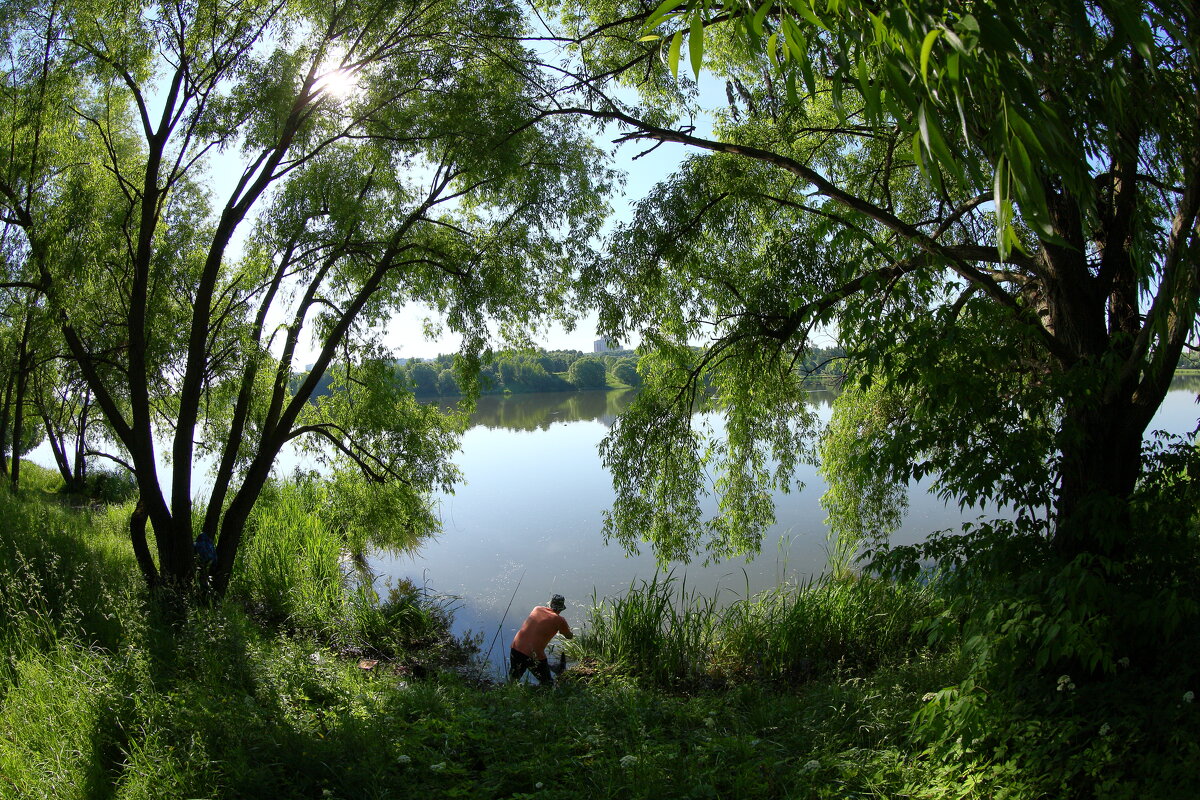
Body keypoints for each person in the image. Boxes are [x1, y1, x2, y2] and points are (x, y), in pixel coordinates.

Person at [509, 594, 573, 684]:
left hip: (516, 647)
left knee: (514, 679)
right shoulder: (560, 620)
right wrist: (569, 631)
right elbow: (569, 636)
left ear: (550, 604)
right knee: (547, 683)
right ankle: (544, 692)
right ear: (561, 609)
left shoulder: (537, 609)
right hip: (533, 654)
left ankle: (508, 694)